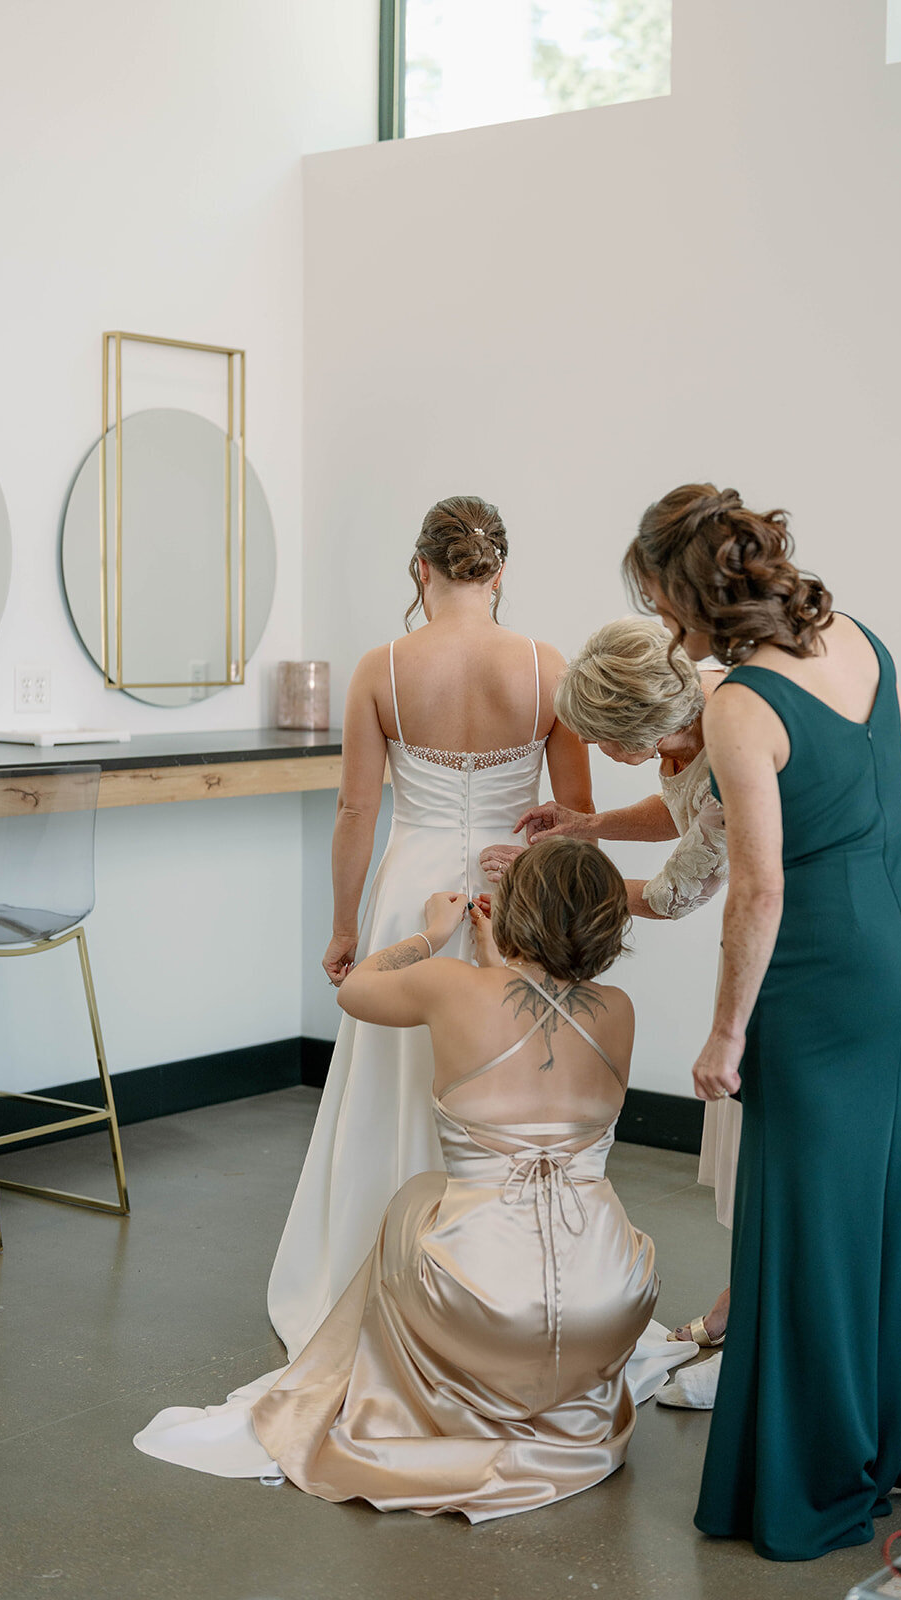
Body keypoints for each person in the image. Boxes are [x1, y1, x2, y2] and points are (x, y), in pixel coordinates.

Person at [624, 481, 901, 1560]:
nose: (660, 627)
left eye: (657, 603)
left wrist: (724, 1035)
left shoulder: (735, 704)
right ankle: (895, 1441)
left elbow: (757, 890)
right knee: (890, 1198)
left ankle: (816, 1477)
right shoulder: (856, 636)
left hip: (824, 969)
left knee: (808, 1215)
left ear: (688, 597)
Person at [136, 841, 665, 1522]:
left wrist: (430, 933)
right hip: (611, 1300)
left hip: (488, 1307)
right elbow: (540, 1019)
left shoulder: (451, 985)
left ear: (516, 910)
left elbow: (355, 988)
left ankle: (423, 1394)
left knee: (415, 1198)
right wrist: (494, 966)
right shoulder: (616, 1008)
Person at [268, 496, 592, 1362]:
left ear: (422, 570)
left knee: (399, 1062)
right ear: (499, 571)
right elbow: (576, 814)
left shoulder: (382, 667)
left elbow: (355, 810)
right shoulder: (545, 666)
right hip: (512, 892)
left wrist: (345, 928)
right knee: (506, 1070)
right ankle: (502, 1284)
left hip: (411, 889)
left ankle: (374, 1261)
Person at [479, 617, 735, 1358]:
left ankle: (752, 1310)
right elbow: (680, 814)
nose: (590, 749)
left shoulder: (729, 745)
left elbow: (671, 893)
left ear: (643, 726)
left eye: (599, 739)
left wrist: (545, 880)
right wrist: (586, 828)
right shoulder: (689, 713)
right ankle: (745, 1297)